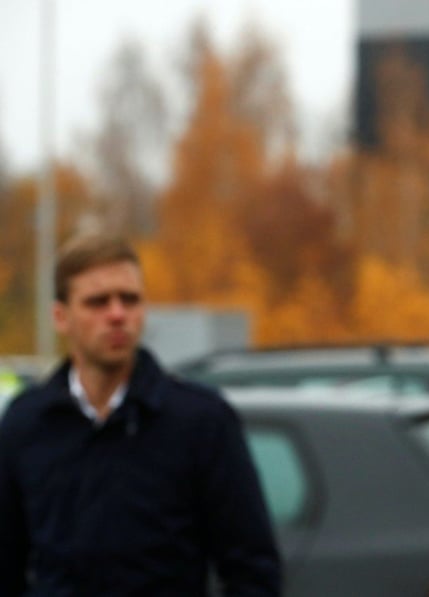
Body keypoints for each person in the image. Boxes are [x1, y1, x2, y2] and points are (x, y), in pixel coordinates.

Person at [0, 234, 281, 595]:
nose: (117, 315)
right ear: (61, 316)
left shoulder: (201, 421)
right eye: (97, 302)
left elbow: (253, 571)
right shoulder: (26, 424)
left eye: (129, 299)